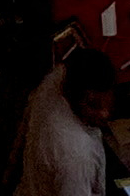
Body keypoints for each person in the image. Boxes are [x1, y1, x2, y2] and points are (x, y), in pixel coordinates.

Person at [17, 48, 120, 196]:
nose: (105, 113)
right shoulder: (77, 156)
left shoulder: (55, 80)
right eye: (93, 105)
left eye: (108, 101)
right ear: (70, 94)